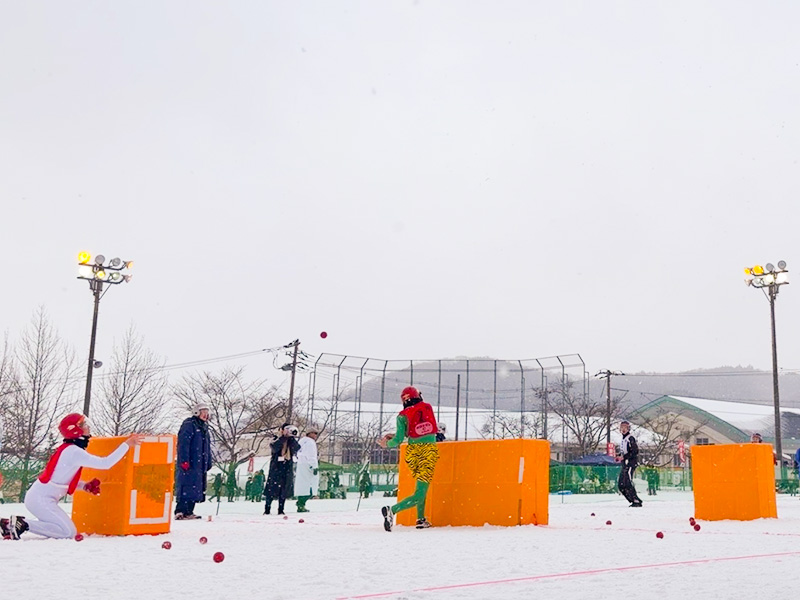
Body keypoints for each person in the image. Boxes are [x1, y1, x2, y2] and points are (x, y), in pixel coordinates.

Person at [1, 413, 143, 540]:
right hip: (40, 500)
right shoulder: (74, 451)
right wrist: (126, 445)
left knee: (64, 529)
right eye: (83, 425)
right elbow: (105, 463)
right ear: (75, 430)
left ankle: (13, 525)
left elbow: (61, 479)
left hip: (39, 498)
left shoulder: (70, 449)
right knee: (68, 532)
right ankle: (21, 524)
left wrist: (84, 486)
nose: (87, 427)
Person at [378, 386, 439, 531]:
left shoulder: (402, 415)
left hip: (413, 453)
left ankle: (420, 519)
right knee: (420, 492)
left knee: (420, 488)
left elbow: (401, 438)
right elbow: (423, 426)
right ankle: (392, 510)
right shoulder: (427, 407)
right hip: (427, 452)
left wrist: (386, 444)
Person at [174, 402, 213, 520]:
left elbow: (207, 446)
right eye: (203, 412)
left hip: (200, 464)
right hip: (190, 462)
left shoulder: (204, 427)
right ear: (197, 412)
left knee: (196, 488)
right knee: (186, 486)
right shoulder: (189, 424)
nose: (205, 415)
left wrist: (208, 461)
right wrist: (184, 460)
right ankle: (180, 511)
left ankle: (189, 511)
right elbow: (183, 444)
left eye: (207, 413)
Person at [264, 423, 301, 515]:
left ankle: (281, 509)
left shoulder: (291, 441)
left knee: (284, 488)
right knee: (271, 488)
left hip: (287, 466)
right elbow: (274, 447)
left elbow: (297, 448)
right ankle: (267, 508)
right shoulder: (275, 438)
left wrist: (291, 437)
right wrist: (283, 437)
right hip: (276, 467)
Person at [617, 420, 642, 507]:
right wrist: (619, 456)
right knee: (621, 484)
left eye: (625, 427)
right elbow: (624, 451)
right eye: (622, 427)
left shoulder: (630, 438)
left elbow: (635, 451)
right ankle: (632, 499)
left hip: (631, 463)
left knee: (627, 482)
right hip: (625, 463)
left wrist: (625, 457)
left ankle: (636, 500)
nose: (623, 429)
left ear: (628, 428)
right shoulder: (623, 439)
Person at [295, 430, 320, 513]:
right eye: (314, 433)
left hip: (301, 464)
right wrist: (314, 467)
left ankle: (300, 503)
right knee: (310, 487)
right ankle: (301, 503)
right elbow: (311, 455)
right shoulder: (310, 443)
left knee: (302, 486)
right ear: (310, 434)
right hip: (309, 466)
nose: (316, 435)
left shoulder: (302, 441)